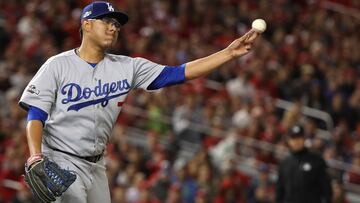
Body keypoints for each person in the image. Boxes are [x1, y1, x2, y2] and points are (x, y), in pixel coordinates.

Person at [18, 1, 260, 203]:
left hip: (97, 164)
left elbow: (178, 73)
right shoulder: (57, 65)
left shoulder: (127, 67)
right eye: (107, 21)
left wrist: (227, 53)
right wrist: (36, 156)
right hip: (60, 158)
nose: (114, 28)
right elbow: (36, 114)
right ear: (87, 24)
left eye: (116, 24)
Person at [276, 124, 332, 203]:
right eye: (294, 138)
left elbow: (326, 187)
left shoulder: (316, 159)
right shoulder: (285, 163)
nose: (297, 141)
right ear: (289, 140)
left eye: (299, 137)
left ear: (304, 139)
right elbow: (280, 189)